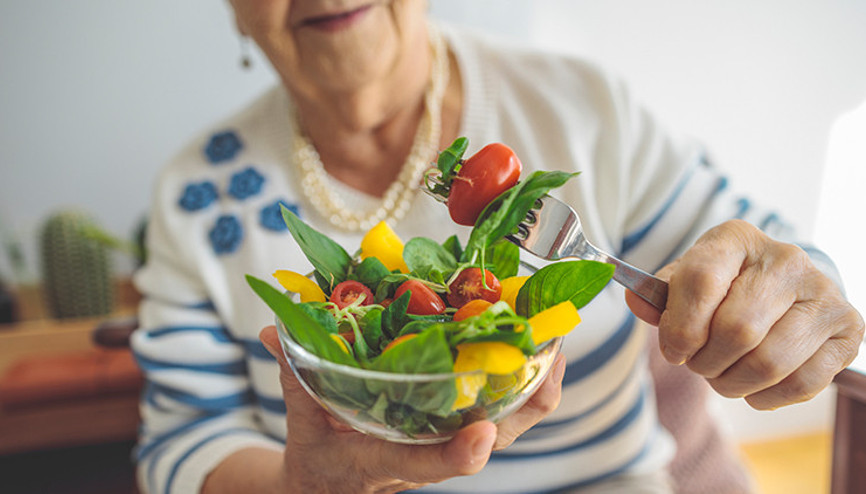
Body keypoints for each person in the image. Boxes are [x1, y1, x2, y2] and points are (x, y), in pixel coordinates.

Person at [129, 1, 864, 493]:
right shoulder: (197, 194)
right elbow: (180, 448)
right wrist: (304, 482)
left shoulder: (578, 106)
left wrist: (798, 295)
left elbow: (769, 252)